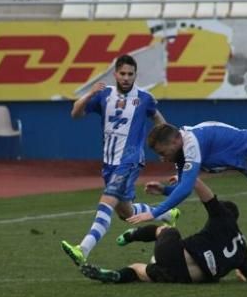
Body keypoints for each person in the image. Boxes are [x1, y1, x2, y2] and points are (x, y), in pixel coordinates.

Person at [61, 54, 178, 266]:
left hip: (130, 159)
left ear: (135, 75)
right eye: (122, 73)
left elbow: (159, 120)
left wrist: (166, 147)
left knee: (107, 200)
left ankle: (83, 249)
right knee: (126, 212)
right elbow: (75, 114)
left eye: (130, 74)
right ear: (115, 74)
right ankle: (167, 214)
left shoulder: (144, 98)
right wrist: (89, 94)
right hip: (109, 162)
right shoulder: (103, 95)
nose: (126, 78)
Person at [80, 177, 247, 284]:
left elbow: (208, 197)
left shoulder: (221, 217)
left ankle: (133, 234)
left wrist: (188, 178)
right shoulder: (243, 249)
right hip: (188, 279)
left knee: (167, 231)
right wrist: (242, 275)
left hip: (175, 255)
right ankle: (117, 275)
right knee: (139, 270)